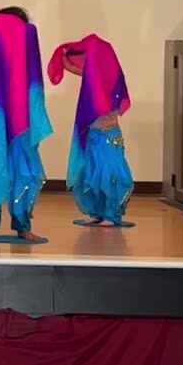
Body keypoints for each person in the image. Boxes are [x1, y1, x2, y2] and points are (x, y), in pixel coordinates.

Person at [0, 6, 53, 243]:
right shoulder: (26, 32)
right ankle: (21, 228)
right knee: (21, 170)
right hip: (17, 116)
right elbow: (34, 81)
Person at [47, 34, 133, 227]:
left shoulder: (113, 77)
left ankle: (111, 215)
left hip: (108, 135)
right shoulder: (92, 75)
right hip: (92, 134)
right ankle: (96, 213)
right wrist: (63, 52)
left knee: (109, 172)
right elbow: (70, 67)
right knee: (92, 172)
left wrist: (65, 53)